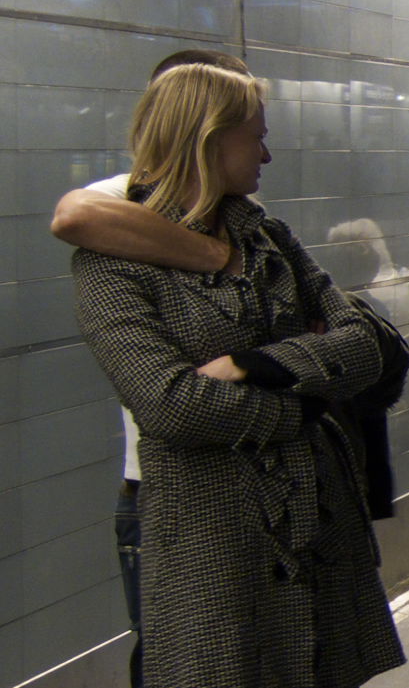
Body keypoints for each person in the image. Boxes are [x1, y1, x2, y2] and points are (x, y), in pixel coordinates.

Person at [70, 62, 406, 687]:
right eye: (256, 136)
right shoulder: (112, 264)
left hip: (316, 512)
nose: (268, 154)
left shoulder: (266, 238)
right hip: (211, 530)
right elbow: (172, 405)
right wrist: (308, 404)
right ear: (208, 138)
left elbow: (372, 344)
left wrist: (261, 364)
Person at [48, 50, 254, 688]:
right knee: (175, 663)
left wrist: (260, 364)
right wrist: (218, 258)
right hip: (165, 487)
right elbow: (73, 217)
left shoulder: (251, 219)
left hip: (252, 474)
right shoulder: (126, 203)